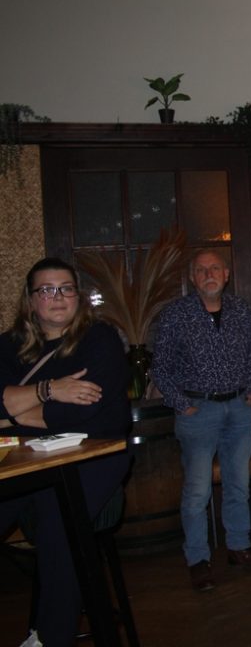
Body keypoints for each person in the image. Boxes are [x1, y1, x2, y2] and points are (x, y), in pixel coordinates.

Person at [0, 257, 132, 647]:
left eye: (66, 288)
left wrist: (16, 412)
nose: (57, 297)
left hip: (94, 455)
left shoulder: (100, 339)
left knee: (60, 522)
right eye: (46, 290)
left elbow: (91, 412)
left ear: (78, 297)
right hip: (26, 456)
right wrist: (51, 390)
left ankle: (50, 638)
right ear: (30, 300)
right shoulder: (7, 346)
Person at [153, 249, 251, 593]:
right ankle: (198, 560)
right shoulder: (176, 315)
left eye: (215, 268)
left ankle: (239, 547)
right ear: (193, 278)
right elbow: (160, 367)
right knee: (197, 491)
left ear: (226, 274)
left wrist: (250, 391)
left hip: (239, 409)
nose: (209, 274)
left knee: (239, 485)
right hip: (198, 412)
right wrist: (182, 404)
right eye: (201, 270)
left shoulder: (241, 310)